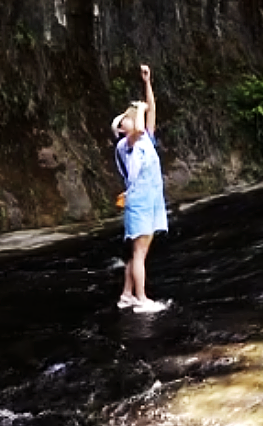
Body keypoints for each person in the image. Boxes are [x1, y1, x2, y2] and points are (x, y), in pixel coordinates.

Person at [111, 64, 168, 313]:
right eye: (126, 118)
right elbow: (140, 127)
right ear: (121, 129)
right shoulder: (126, 144)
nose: (131, 118)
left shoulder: (145, 140)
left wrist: (147, 83)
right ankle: (142, 299)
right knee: (140, 252)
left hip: (151, 199)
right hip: (140, 201)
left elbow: (151, 111)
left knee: (138, 252)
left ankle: (127, 295)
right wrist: (140, 111)